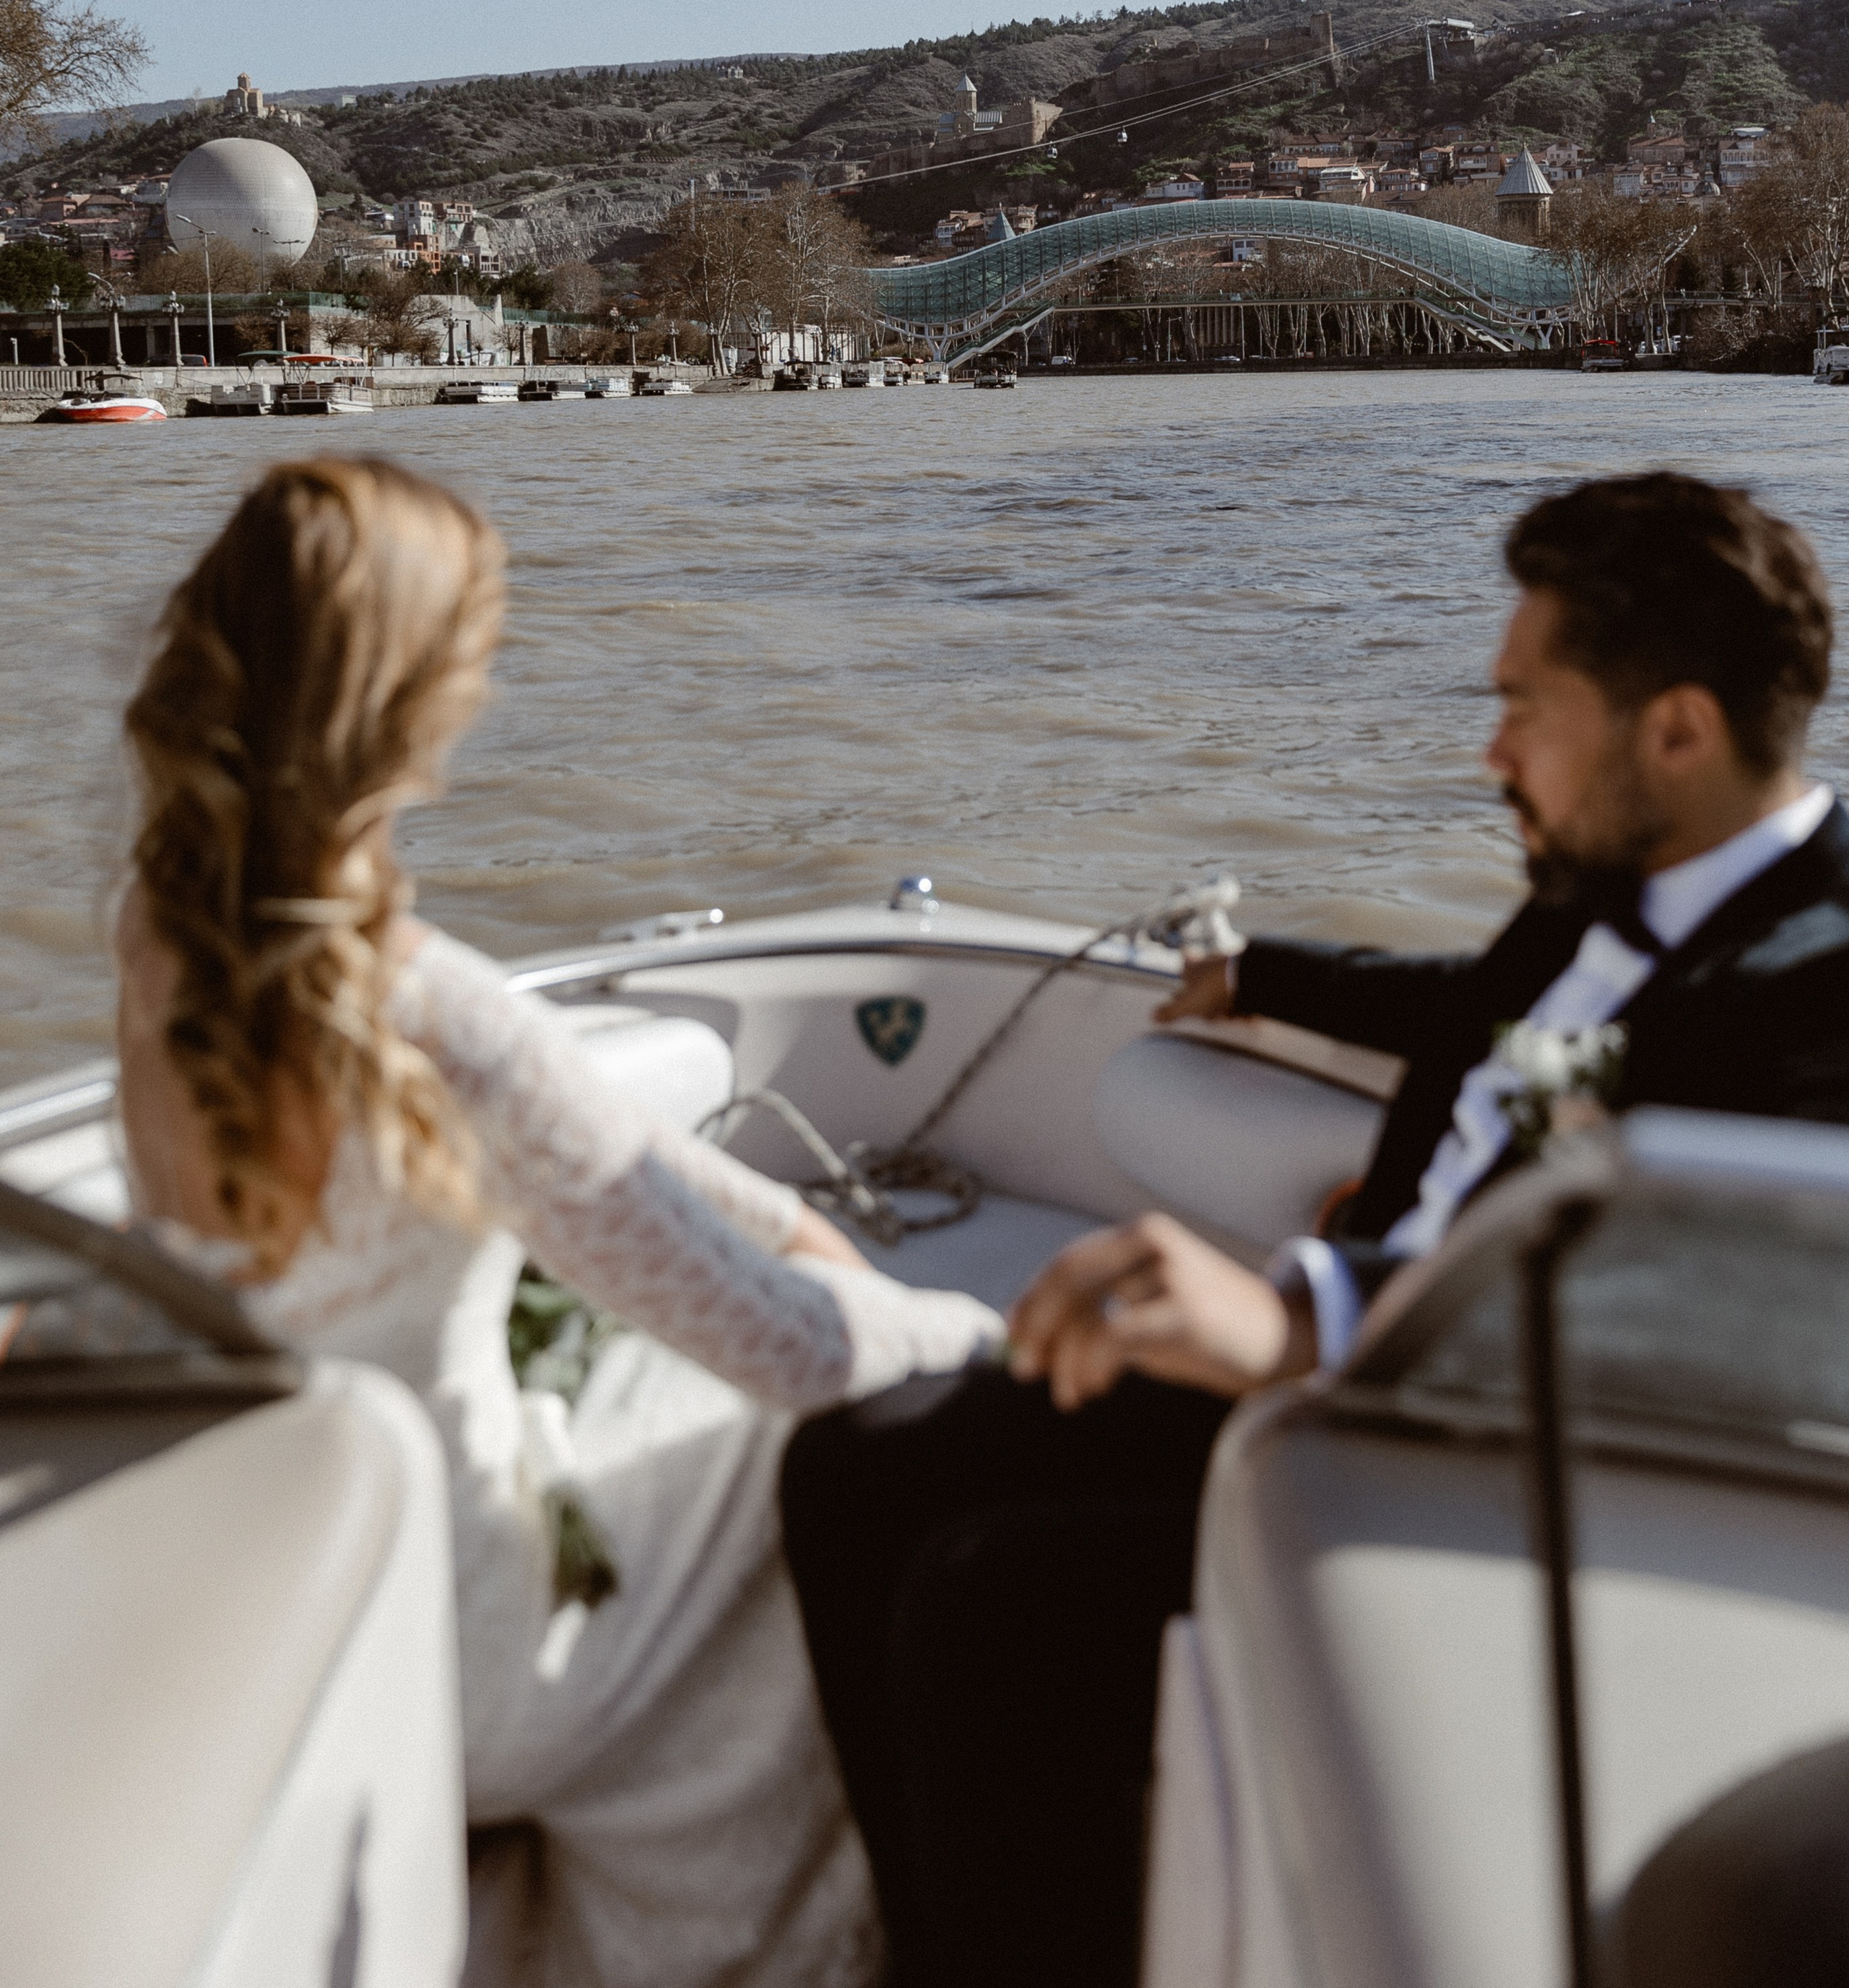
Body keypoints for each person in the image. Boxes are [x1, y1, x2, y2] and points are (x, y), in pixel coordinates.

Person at [780, 470, 1849, 1988]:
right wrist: (1263, 976)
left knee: (988, 1604)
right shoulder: (1614, 869)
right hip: (1358, 1362)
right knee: (857, 1460)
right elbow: (1486, 1013)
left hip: (1481, 1460)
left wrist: (1300, 1325)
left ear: (1674, 730)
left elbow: (1682, 1328)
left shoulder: (1819, 993)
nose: (1490, 751)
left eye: (1522, 707)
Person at [112, 456, 1003, 1988]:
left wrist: (768, 1218)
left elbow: (593, 1159)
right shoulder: (435, 1014)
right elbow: (796, 1351)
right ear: (414, 700)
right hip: (479, 1644)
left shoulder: (162, 933)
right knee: (789, 1451)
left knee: (646, 1386)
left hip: (294, 1581)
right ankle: (735, 1941)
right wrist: (969, 1330)